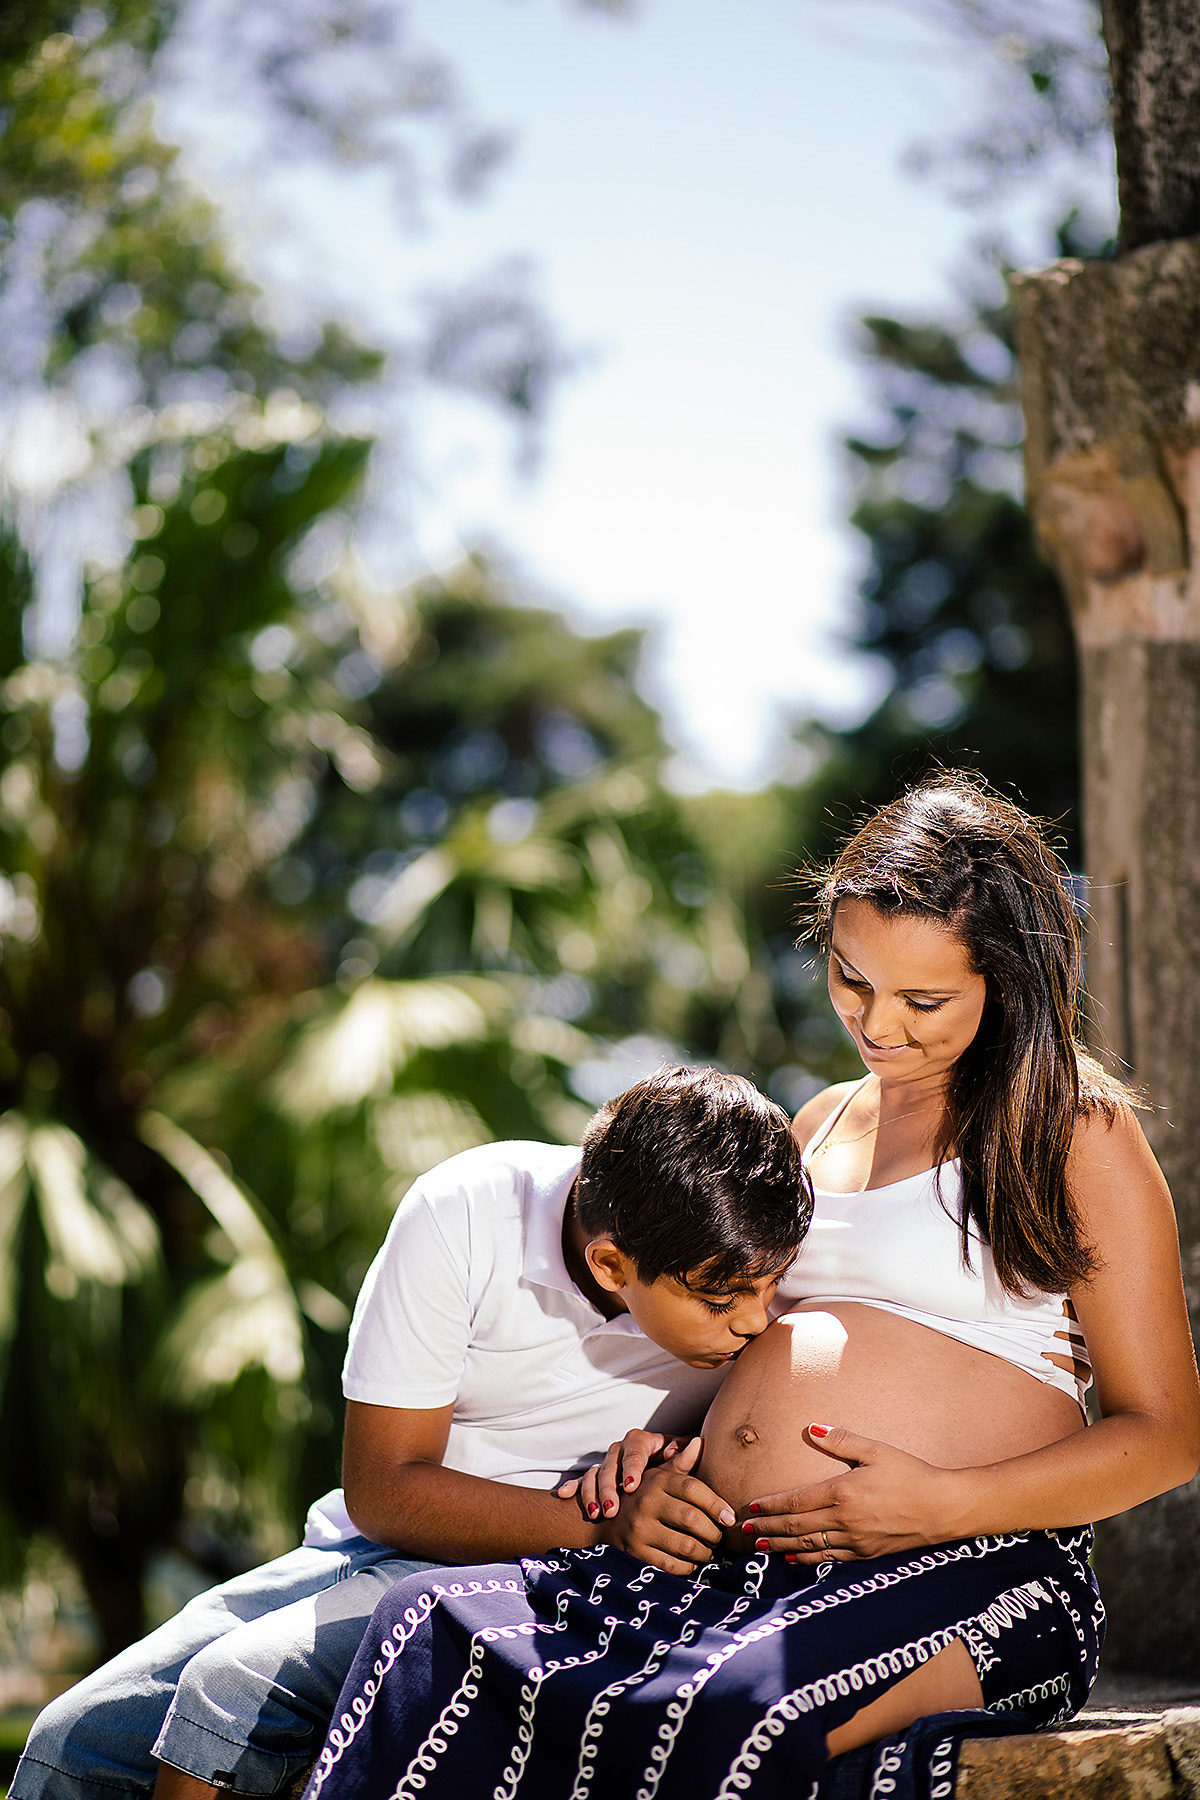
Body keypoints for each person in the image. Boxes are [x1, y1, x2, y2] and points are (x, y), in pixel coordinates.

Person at [300, 773, 1200, 1800]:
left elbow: (1166, 1433)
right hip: (751, 1558)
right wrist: (672, 1445)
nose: (880, 1025)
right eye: (852, 981)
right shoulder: (815, 1127)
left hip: (978, 1563)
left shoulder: (1073, 1132)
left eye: (925, 1001)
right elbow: (761, 1338)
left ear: (1008, 982)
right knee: (429, 1630)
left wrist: (942, 1504)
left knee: (725, 1710)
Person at [10, 1067, 810, 1800]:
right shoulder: (465, 1212)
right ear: (610, 1266)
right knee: (70, 1743)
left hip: (544, 1581)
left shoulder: (737, 1245)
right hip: (396, 1541)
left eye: (772, 1284)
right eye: (722, 1299)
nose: (757, 1319)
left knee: (230, 1689)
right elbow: (386, 1492)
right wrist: (605, 1521)